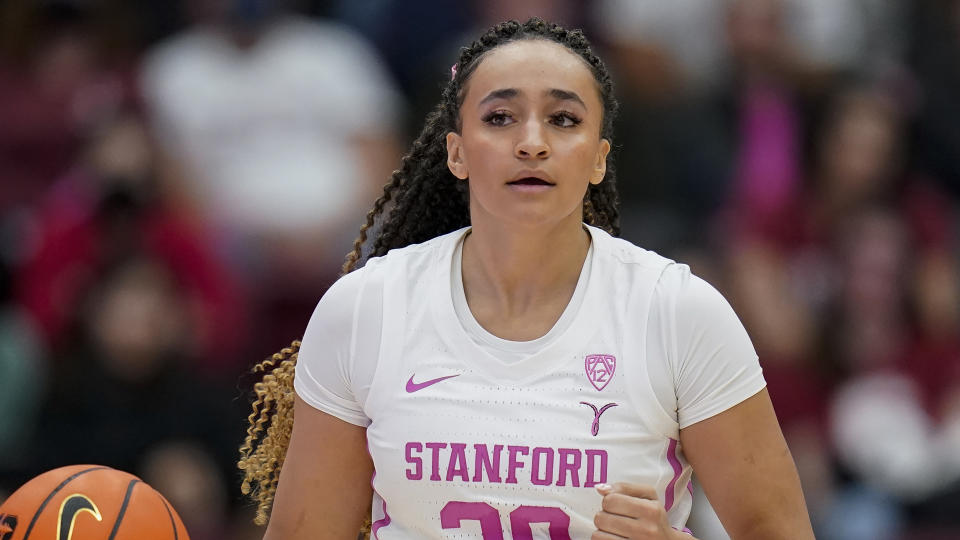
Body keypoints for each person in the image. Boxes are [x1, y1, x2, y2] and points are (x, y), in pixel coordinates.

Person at [237, 18, 815, 539]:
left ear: (598, 158)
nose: (532, 142)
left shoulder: (679, 313)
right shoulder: (367, 307)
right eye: (500, 118)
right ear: (457, 154)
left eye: (563, 120)